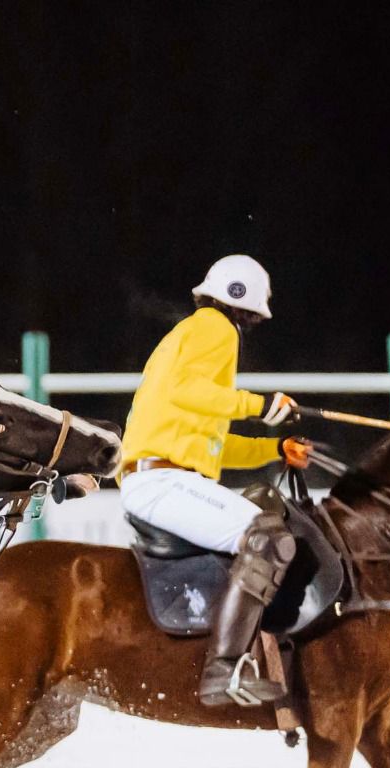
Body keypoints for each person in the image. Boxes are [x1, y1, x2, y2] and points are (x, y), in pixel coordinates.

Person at [119, 254, 311, 706]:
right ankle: (224, 670)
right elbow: (188, 391)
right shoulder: (215, 328)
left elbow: (215, 446)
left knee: (265, 530)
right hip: (161, 481)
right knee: (267, 538)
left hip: (160, 477)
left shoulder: (189, 333)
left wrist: (275, 449)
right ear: (245, 306)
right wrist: (257, 405)